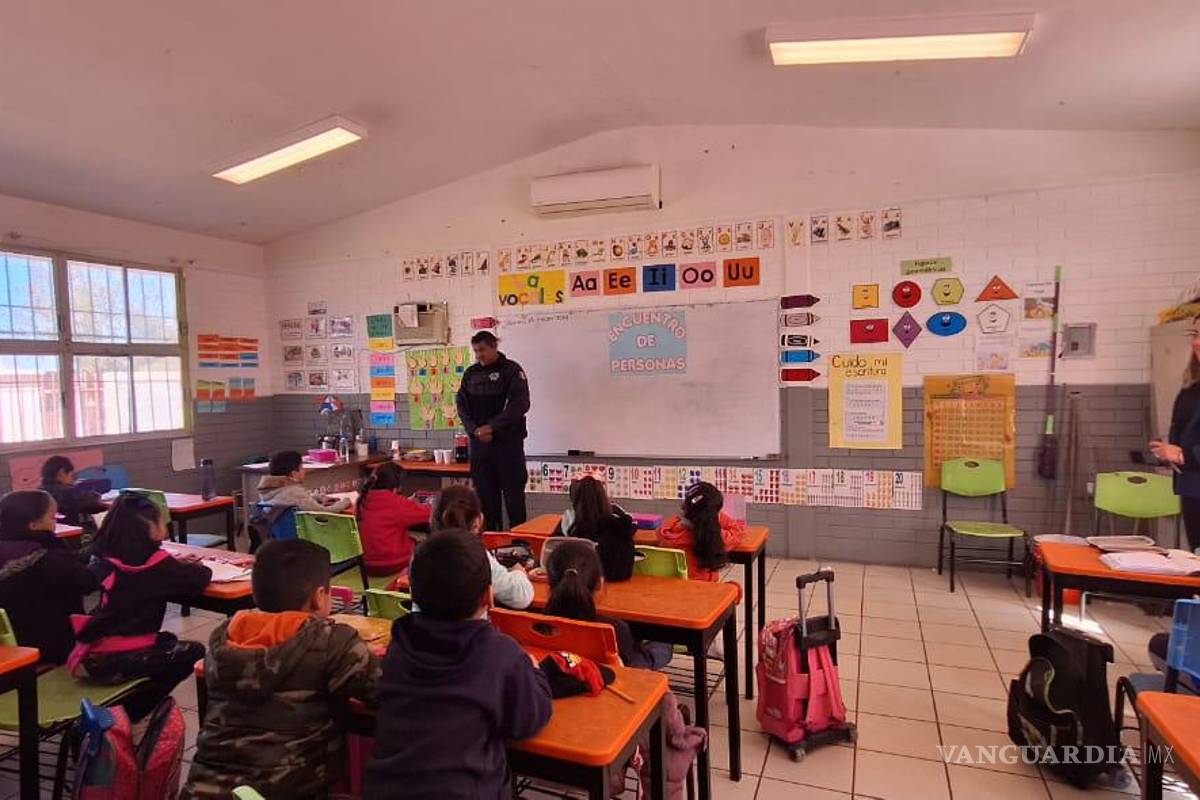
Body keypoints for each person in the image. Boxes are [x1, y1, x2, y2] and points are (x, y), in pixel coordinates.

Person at [182, 539, 382, 799]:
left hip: (204, 791)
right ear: (319, 597)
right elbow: (381, 693)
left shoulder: (225, 635)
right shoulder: (333, 641)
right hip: (290, 790)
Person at [364, 529, 553, 799]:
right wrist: (536, 675)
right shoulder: (500, 654)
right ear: (488, 596)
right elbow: (528, 720)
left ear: (414, 594)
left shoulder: (400, 646)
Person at [70, 493, 210, 721]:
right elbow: (197, 580)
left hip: (91, 651)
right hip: (122, 658)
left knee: (167, 641)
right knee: (193, 652)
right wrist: (197, 566)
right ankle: (126, 713)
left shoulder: (102, 554)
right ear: (149, 527)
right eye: (161, 520)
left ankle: (120, 707)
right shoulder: (156, 563)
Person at [0, 490, 96, 664]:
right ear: (33, 525)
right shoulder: (47, 559)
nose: (56, 523)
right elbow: (88, 581)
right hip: (53, 647)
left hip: (10, 647)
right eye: (52, 518)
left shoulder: (10, 551)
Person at [546, 538, 672, 670]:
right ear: (600, 583)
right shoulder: (614, 628)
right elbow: (626, 669)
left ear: (549, 580)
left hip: (562, 670)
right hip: (608, 675)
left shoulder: (540, 624)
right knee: (662, 646)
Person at [455, 331, 531, 531]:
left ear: (494, 346)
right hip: (481, 447)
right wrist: (475, 431)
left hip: (508, 446)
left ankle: (519, 540)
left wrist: (492, 427)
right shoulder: (471, 374)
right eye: (475, 351)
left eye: (482, 350)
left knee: (514, 499)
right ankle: (490, 539)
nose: (478, 355)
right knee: (486, 500)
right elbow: (461, 406)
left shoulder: (512, 371)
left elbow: (520, 404)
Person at [431, 486, 533, 609]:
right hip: (471, 621)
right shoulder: (476, 557)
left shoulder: (420, 556)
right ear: (478, 521)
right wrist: (519, 572)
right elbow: (522, 597)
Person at [1150, 314, 1200, 551]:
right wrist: (1168, 452)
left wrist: (1183, 455)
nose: (1196, 342)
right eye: (1195, 334)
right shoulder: (1190, 389)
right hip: (1192, 487)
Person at [552, 474, 636, 581]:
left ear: (576, 498)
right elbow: (631, 527)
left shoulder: (570, 519)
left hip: (582, 578)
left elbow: (553, 543)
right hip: (617, 576)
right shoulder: (616, 514)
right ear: (603, 494)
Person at [657, 482, 746, 581]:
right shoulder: (715, 538)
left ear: (685, 508)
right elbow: (738, 531)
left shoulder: (667, 533)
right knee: (734, 586)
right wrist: (713, 515)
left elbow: (672, 521)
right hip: (706, 588)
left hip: (675, 587)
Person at [356, 462, 431, 575]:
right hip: (395, 563)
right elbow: (430, 513)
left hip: (366, 564)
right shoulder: (398, 503)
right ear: (396, 487)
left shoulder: (361, 500)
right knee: (427, 546)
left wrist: (407, 503)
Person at [256, 450, 352, 514]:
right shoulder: (295, 492)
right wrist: (345, 502)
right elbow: (325, 513)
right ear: (293, 474)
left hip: (277, 535)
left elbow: (293, 500)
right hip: (300, 535)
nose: (304, 471)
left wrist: (315, 497)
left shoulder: (269, 490)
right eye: (302, 467)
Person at [40, 455, 105, 537]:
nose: (74, 479)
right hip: (74, 534)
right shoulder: (67, 492)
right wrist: (96, 496)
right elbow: (91, 505)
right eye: (72, 475)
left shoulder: (40, 492)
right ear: (61, 473)